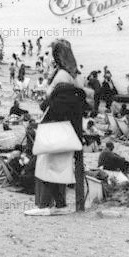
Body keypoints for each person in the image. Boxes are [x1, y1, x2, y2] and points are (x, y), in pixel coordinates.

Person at [26, 39, 86, 216]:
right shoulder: (75, 74)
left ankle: (45, 205)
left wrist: (46, 103)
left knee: (45, 166)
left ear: (58, 56)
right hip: (69, 127)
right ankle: (59, 205)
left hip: (55, 125)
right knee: (60, 167)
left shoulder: (61, 75)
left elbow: (55, 102)